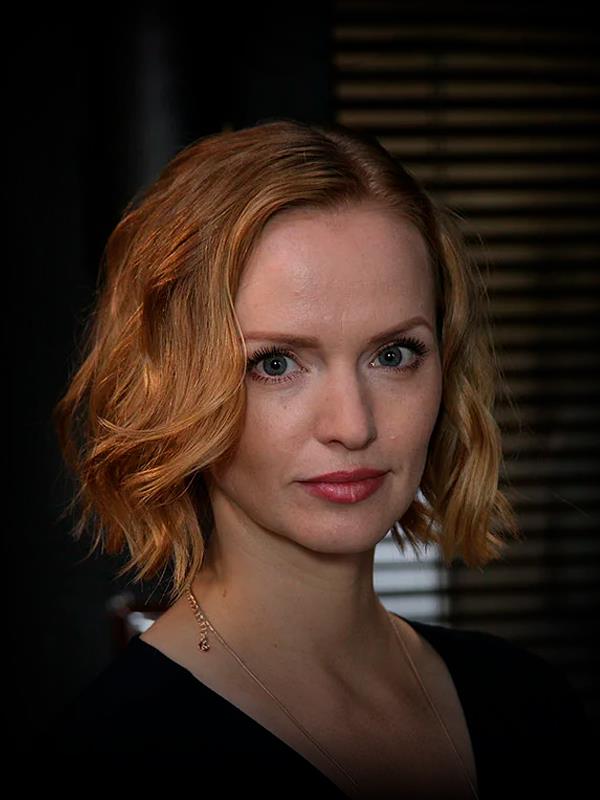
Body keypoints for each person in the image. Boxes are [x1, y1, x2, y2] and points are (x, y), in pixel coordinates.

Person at [36, 119, 591, 798]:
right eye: (276, 364)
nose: (353, 426)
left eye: (393, 355)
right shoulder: (112, 759)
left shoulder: (533, 706)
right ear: (176, 386)